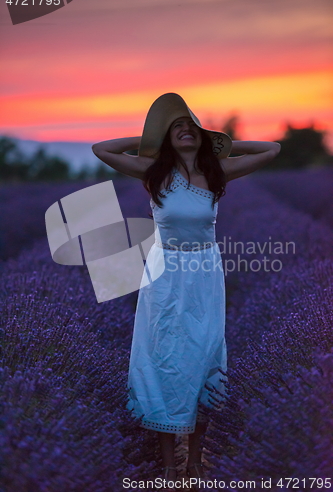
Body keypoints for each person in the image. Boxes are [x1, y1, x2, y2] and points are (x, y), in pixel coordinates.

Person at [92, 93, 281, 491]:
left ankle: (194, 460)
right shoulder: (153, 171)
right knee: (161, 355)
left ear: (202, 137)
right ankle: (166, 465)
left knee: (203, 351)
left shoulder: (217, 173)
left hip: (204, 272)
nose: (184, 132)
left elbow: (272, 148)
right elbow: (101, 149)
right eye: (176, 128)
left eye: (190, 128)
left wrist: (222, 143)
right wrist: (150, 140)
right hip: (164, 271)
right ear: (166, 138)